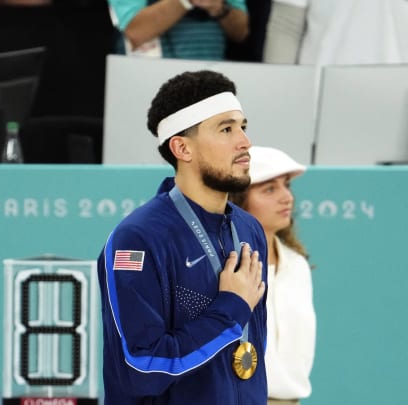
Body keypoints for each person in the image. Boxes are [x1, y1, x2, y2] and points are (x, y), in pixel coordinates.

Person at [97, 70, 268, 404]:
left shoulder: (249, 230)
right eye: (226, 129)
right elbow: (142, 368)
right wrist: (230, 309)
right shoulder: (138, 239)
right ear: (182, 148)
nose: (245, 142)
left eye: (243, 127)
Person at [229, 146, 316, 405]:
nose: (287, 197)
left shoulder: (297, 264)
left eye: (286, 185)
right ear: (238, 200)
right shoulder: (226, 266)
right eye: (269, 189)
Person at [107, 0, 249, 60]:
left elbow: (240, 32)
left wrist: (219, 8)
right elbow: (136, 32)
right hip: (149, 80)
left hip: (210, 81)